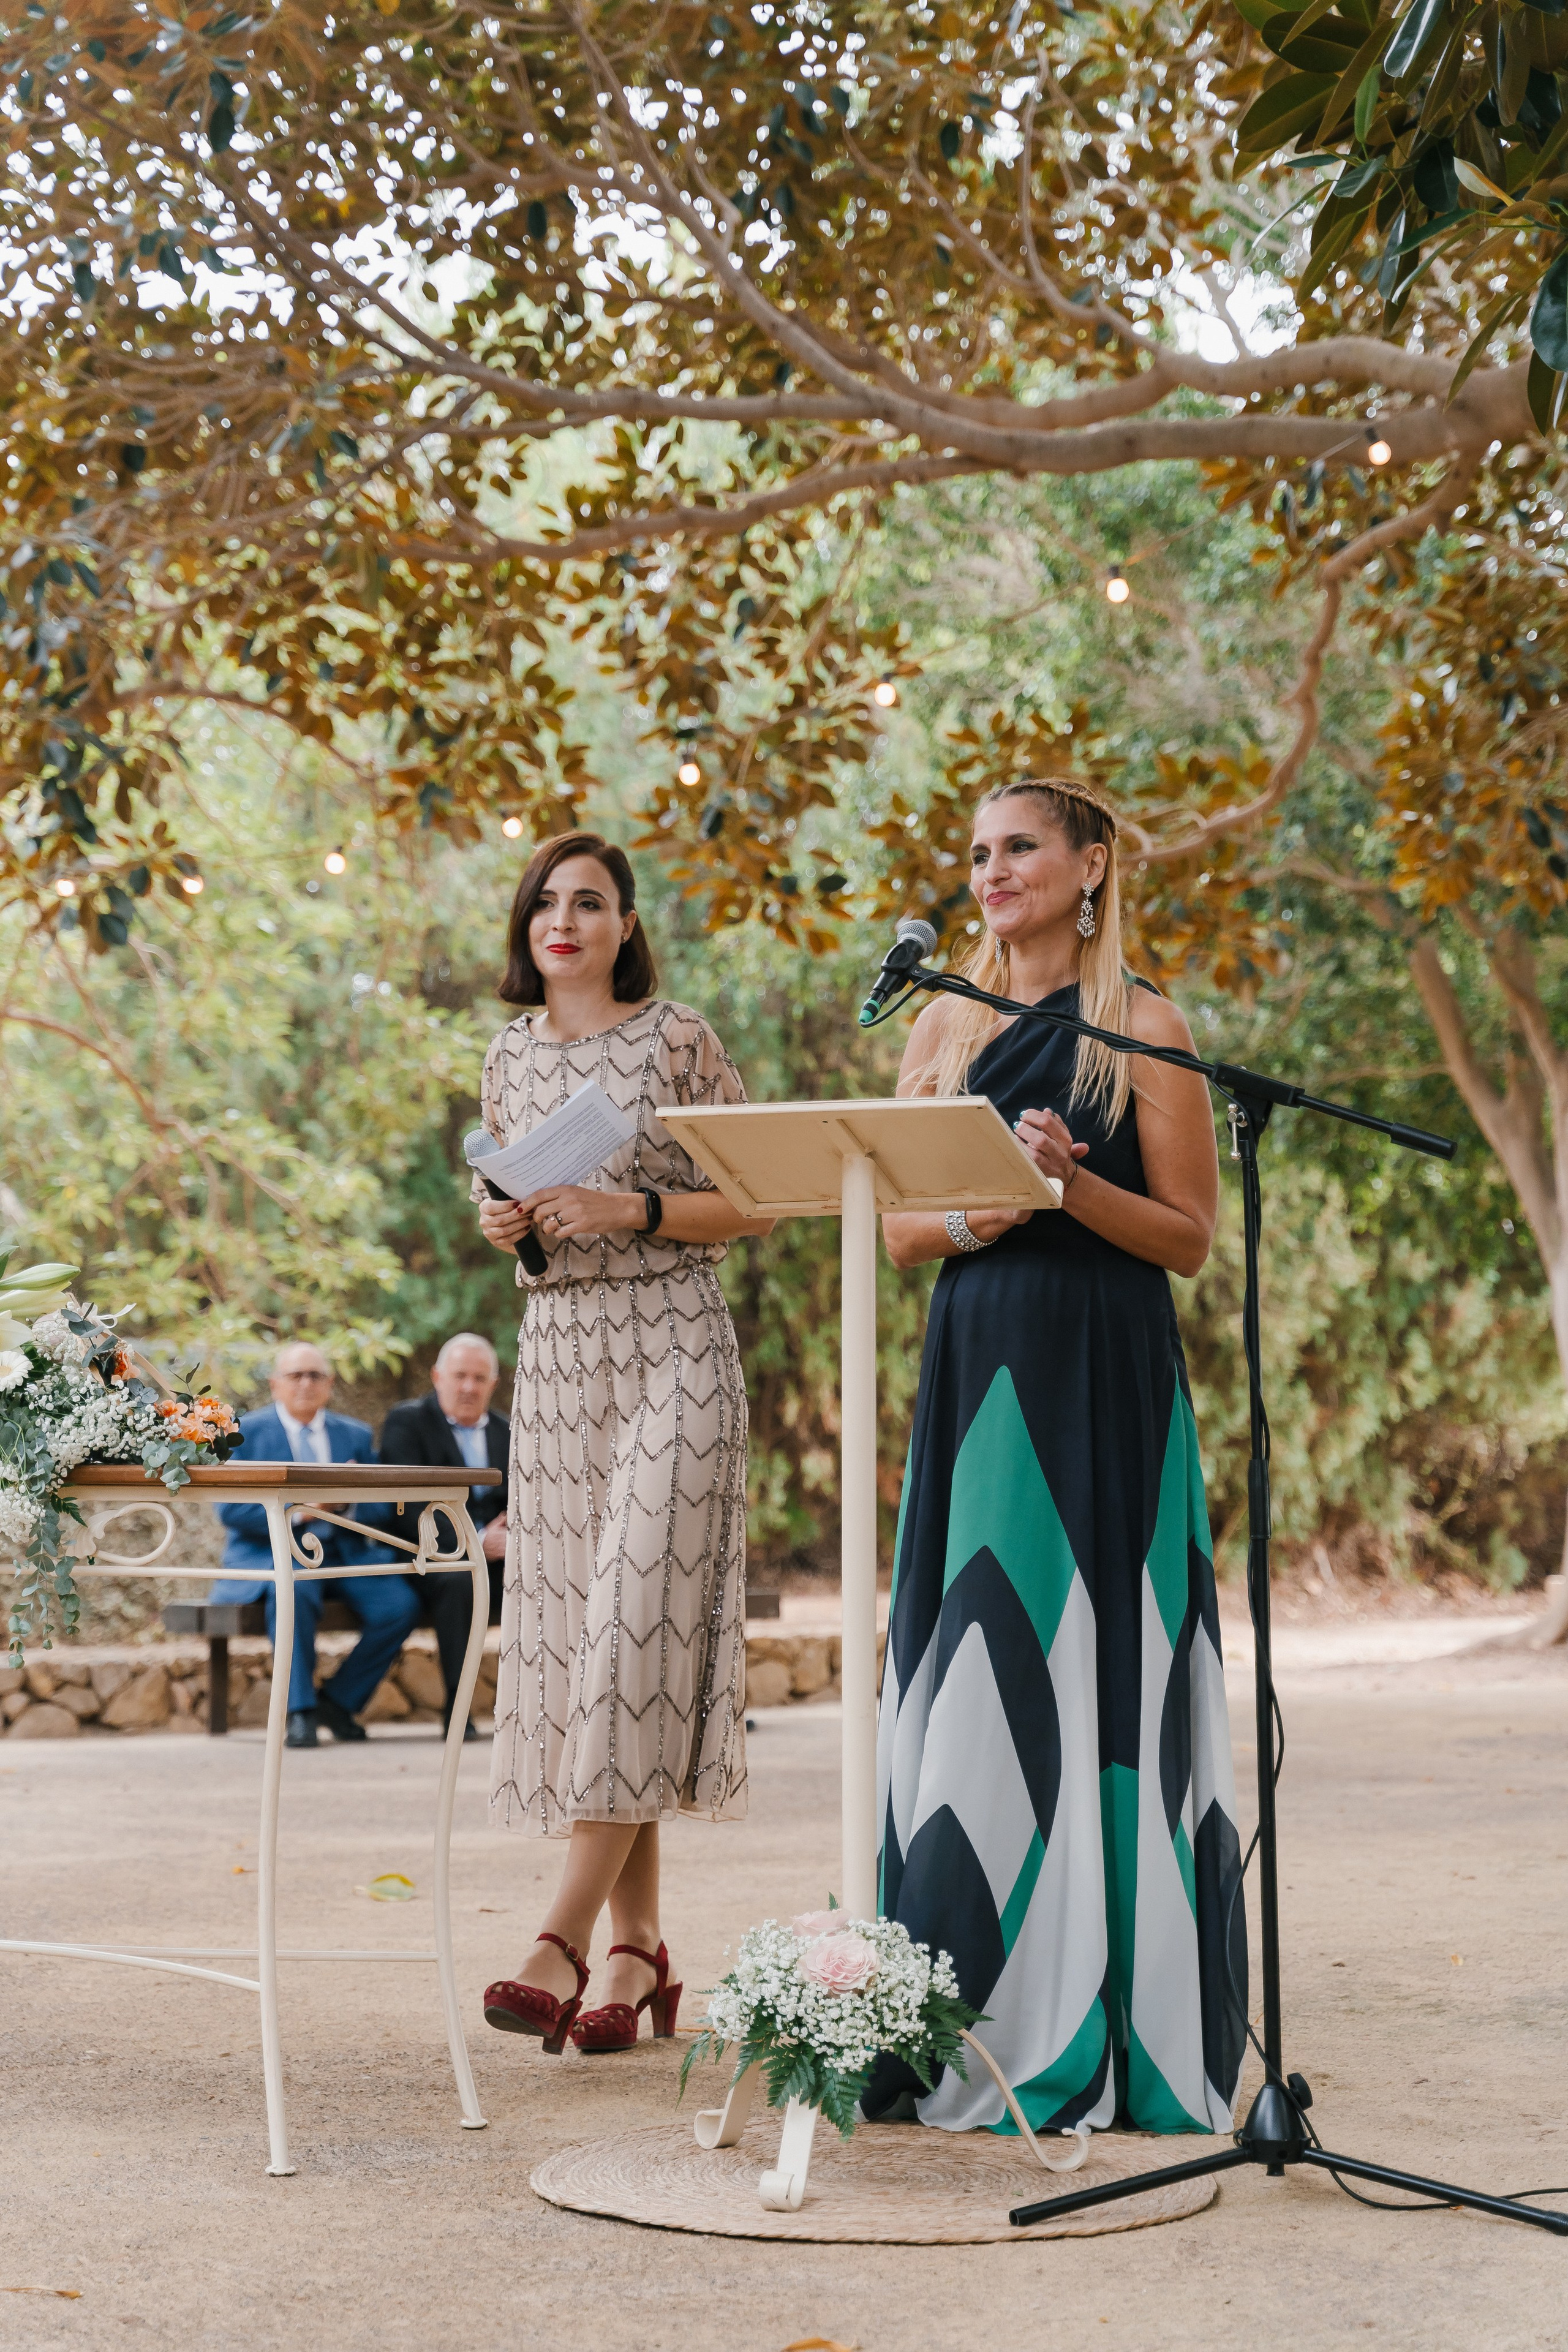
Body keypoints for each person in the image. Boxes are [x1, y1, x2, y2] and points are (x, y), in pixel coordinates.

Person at [868, 777, 1246, 2139]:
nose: (990, 871)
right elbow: (899, 1235)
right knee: (984, 1665)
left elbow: (1188, 1237)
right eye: (975, 852)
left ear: (1092, 864)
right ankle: (965, 2013)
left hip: (1103, 1370)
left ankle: (1118, 2021)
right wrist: (985, 1211)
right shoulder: (940, 1023)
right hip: (981, 1377)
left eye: (1018, 846)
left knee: (1102, 1669)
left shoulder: (1144, 1025)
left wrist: (1068, 1187)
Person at [473, 829, 773, 2056]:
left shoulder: (677, 1039)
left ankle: (557, 1935)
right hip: (556, 1365)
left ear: (623, 924)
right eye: (546, 902)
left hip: (675, 1349)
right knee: (602, 1645)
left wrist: (628, 1206)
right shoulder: (503, 1056)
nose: (565, 920)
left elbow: (758, 1199)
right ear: (526, 928)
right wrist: (515, 1227)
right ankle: (639, 1955)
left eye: (589, 902)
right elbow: (519, 1218)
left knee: (632, 1621)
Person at [208, 1342, 420, 1751]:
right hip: (275, 1555)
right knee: (295, 1588)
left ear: (330, 1385)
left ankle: (338, 1703)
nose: (306, 1383)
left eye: (315, 1375)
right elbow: (232, 1513)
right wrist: (307, 1511)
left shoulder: (354, 1436)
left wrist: (347, 1504)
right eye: (296, 1375)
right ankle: (300, 1712)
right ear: (275, 1385)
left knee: (399, 1605)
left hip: (345, 1553)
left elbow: (383, 1507)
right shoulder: (245, 1433)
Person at [378, 1333, 510, 1738]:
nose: (468, 1387)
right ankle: (458, 1710)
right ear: (437, 1377)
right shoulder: (407, 1423)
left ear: (493, 1383)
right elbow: (405, 1508)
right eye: (460, 1376)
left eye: (479, 1378)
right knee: (459, 1581)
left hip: (506, 1554)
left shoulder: (513, 1432)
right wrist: (475, 1545)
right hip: (430, 1557)